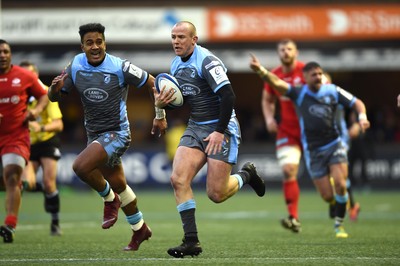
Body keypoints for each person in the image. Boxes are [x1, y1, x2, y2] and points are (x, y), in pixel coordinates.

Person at [47, 23, 168, 251]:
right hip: (95, 134)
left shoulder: (120, 67)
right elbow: (54, 96)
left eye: (99, 42)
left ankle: (108, 198)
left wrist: (159, 115)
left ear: (105, 43)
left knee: (80, 167)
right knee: (120, 185)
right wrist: (53, 90)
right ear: (82, 46)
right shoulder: (74, 65)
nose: (95, 47)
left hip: (118, 134)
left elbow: (155, 83)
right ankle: (140, 228)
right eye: (90, 43)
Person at [160, 21, 266, 258]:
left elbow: (229, 96)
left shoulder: (208, 61)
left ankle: (247, 175)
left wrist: (219, 131)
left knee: (216, 194)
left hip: (222, 127)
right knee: (178, 179)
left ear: (194, 40)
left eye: (181, 37)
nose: (176, 41)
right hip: (196, 126)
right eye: (173, 36)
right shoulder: (175, 64)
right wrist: (163, 106)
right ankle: (191, 241)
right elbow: (187, 100)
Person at [250, 56, 370, 238]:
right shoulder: (299, 93)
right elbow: (277, 83)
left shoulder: (332, 90)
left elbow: (357, 102)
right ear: (305, 77)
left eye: (320, 73)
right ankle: (334, 203)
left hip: (334, 144)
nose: (318, 77)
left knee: (340, 183)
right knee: (327, 195)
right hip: (313, 151)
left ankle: (339, 225)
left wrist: (362, 118)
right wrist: (262, 71)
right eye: (314, 74)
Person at [0, 39, 49, 243]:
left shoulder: (25, 76)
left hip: (15, 135)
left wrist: (35, 111)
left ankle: (10, 224)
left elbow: (45, 95)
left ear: (11, 54)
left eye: (5, 51)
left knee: (12, 175)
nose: (2, 55)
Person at [257, 39, 305, 233]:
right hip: (287, 131)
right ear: (278, 53)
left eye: (289, 49)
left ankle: (344, 202)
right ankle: (293, 217)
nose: (286, 52)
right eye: (282, 49)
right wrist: (269, 119)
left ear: (296, 52)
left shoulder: (307, 71)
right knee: (287, 170)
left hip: (312, 131)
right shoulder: (274, 75)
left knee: (329, 184)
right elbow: (267, 99)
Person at [19, 61, 64, 236]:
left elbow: (59, 124)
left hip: (47, 141)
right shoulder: (17, 97)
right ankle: (45, 192)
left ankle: (55, 221)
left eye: (30, 75)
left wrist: (41, 128)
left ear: (35, 76)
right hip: (27, 144)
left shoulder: (47, 93)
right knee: (27, 184)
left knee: (49, 182)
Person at [323, 72, 361, 221]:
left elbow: (355, 105)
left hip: (340, 140)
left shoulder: (336, 95)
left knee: (337, 172)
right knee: (330, 174)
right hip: (324, 142)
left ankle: (343, 205)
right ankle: (350, 204)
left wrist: (357, 124)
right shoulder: (313, 98)